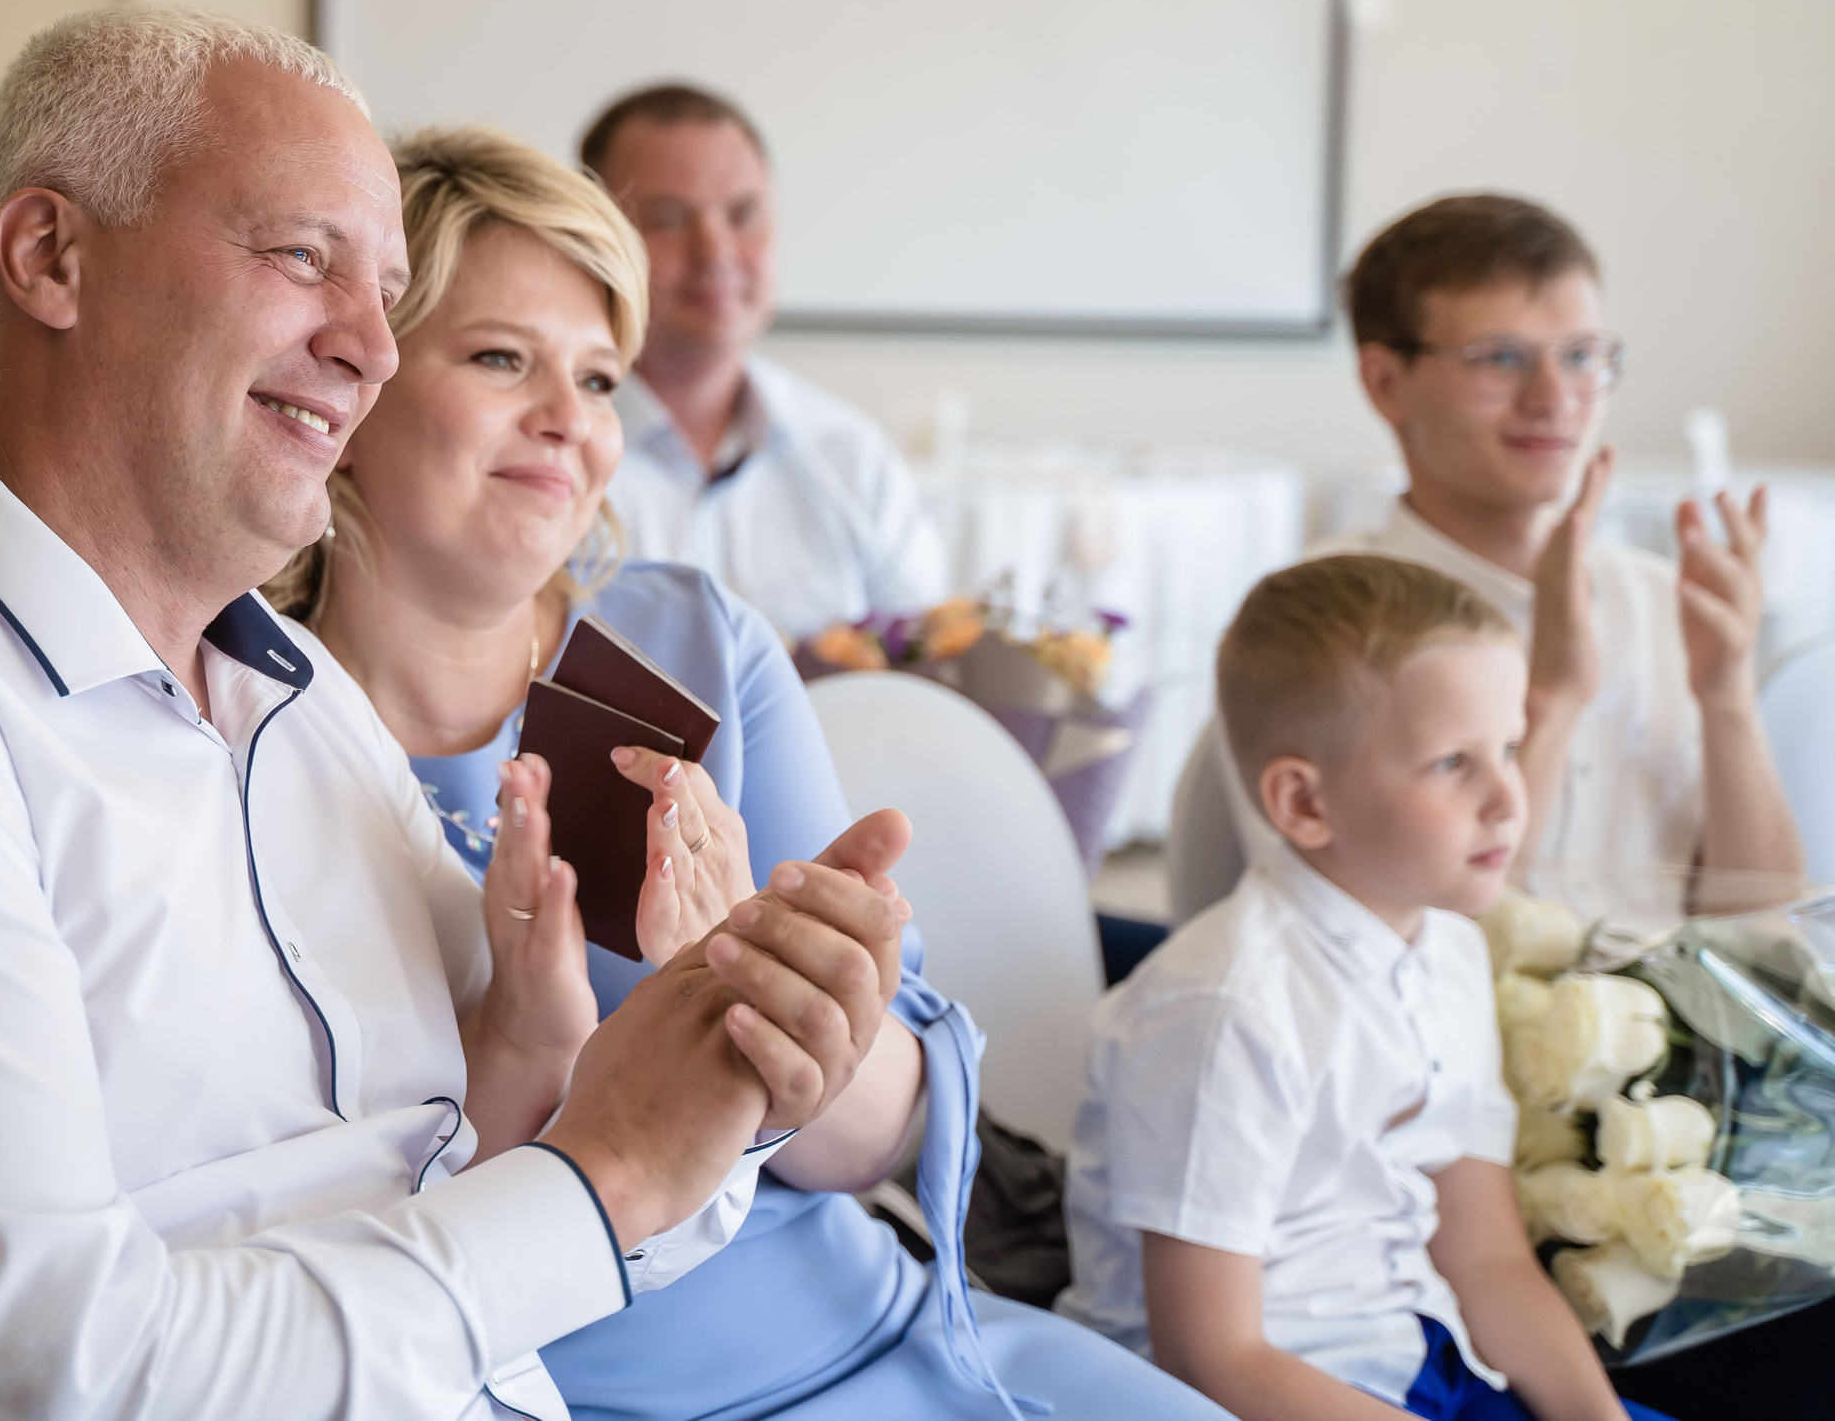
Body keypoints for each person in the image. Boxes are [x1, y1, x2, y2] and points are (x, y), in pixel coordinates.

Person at [0, 7, 923, 1420]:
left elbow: (472, 1215)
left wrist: (713, 1068)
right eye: (303, 257)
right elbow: (62, 1379)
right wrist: (609, 1171)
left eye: (390, 290)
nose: (373, 348)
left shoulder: (293, 696)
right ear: (52, 256)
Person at [275, 122, 1230, 1419]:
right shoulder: (243, 713)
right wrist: (533, 1058)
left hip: (888, 1330)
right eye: (504, 358)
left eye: (602, 378)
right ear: (355, 382)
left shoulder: (688, 644)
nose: (572, 423)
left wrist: (790, 1010)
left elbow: (877, 1133)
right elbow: (305, 1252)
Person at [1063, 554, 1672, 1421]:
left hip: (1418, 1357)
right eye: (1453, 762)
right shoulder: (1227, 1006)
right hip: (1253, 1391)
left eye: (1509, 747)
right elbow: (1210, 1356)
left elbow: (1488, 1256)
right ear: (1305, 802)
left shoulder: (1451, 949)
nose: (1509, 798)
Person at [1166, 196, 1801, 933]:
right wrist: (1553, 703)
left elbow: (1766, 937)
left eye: (1581, 355)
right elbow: (1368, 956)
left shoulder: (1666, 599)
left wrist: (1727, 698)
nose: (1556, 399)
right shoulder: (1317, 634)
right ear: (1385, 383)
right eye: (1500, 358)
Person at [579, 85, 947, 641]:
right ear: (596, 236)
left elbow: (927, 669)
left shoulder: (849, 456)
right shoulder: (551, 447)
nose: (717, 252)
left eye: (744, 214)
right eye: (668, 219)